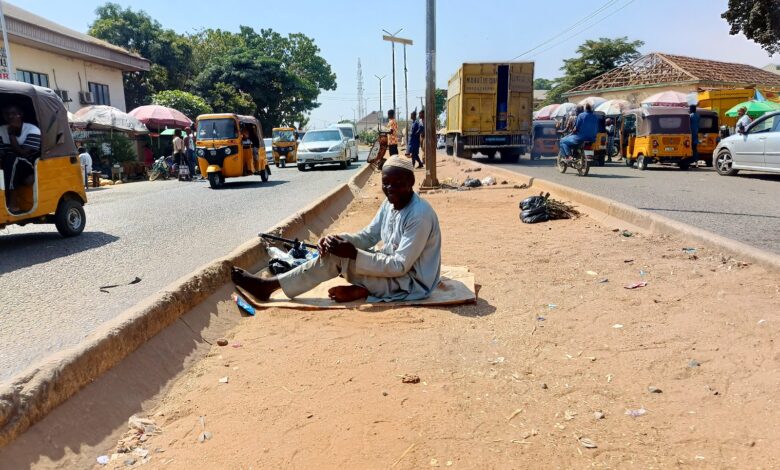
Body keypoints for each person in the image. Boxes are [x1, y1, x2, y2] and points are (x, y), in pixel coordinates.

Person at [231, 155, 442, 303]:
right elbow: (369, 236)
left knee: (338, 259)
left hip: (410, 283)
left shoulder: (419, 215)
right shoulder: (389, 204)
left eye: (398, 184)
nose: (390, 189)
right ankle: (364, 288)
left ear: (411, 182)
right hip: (393, 271)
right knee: (335, 251)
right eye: (386, 183)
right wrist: (336, 240)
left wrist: (352, 253)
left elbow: (399, 266)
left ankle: (267, 287)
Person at [0, 104, 41, 212]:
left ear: (21, 115)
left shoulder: (32, 130)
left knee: (12, 158)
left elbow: (23, 154)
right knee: (8, 159)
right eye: (7, 114)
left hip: (28, 167)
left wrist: (11, 135)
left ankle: (12, 203)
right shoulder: (1, 130)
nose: (10, 117)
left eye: (14, 114)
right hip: (7, 164)